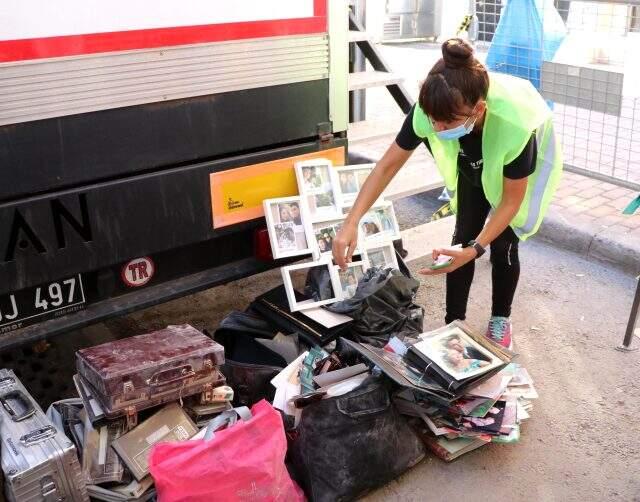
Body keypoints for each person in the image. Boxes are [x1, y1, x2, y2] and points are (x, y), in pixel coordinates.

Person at [332, 38, 563, 349]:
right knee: (462, 235)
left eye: (448, 122)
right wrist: (351, 221)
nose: (438, 130)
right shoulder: (432, 109)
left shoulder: (515, 125)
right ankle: (453, 325)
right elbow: (386, 167)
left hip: (515, 163)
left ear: (478, 109)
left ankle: (500, 319)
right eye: (433, 120)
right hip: (473, 157)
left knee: (504, 242)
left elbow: (510, 201)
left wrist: (477, 249)